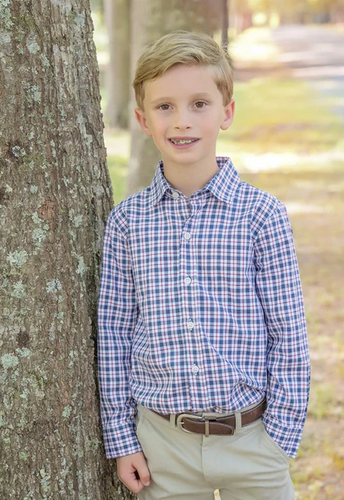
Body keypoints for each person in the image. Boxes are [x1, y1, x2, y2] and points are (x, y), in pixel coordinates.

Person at [97, 31, 310, 500]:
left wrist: (281, 436)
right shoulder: (128, 222)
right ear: (143, 119)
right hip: (161, 448)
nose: (181, 121)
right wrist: (121, 438)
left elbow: (288, 333)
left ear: (226, 112)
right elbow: (113, 334)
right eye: (164, 107)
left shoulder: (261, 215)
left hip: (253, 441)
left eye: (199, 103)